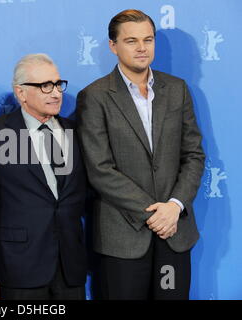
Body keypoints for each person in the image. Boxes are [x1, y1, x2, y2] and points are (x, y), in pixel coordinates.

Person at [76, 9, 205, 300]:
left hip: (174, 232)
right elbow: (99, 168)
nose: (141, 48)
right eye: (131, 40)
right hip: (123, 237)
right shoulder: (95, 97)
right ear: (113, 46)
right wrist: (153, 212)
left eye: (148, 39)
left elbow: (194, 155)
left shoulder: (177, 90)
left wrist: (174, 206)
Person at [0, 54, 87, 300]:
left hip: (70, 266)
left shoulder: (76, 132)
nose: (56, 93)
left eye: (58, 84)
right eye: (45, 86)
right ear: (21, 93)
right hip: (19, 266)